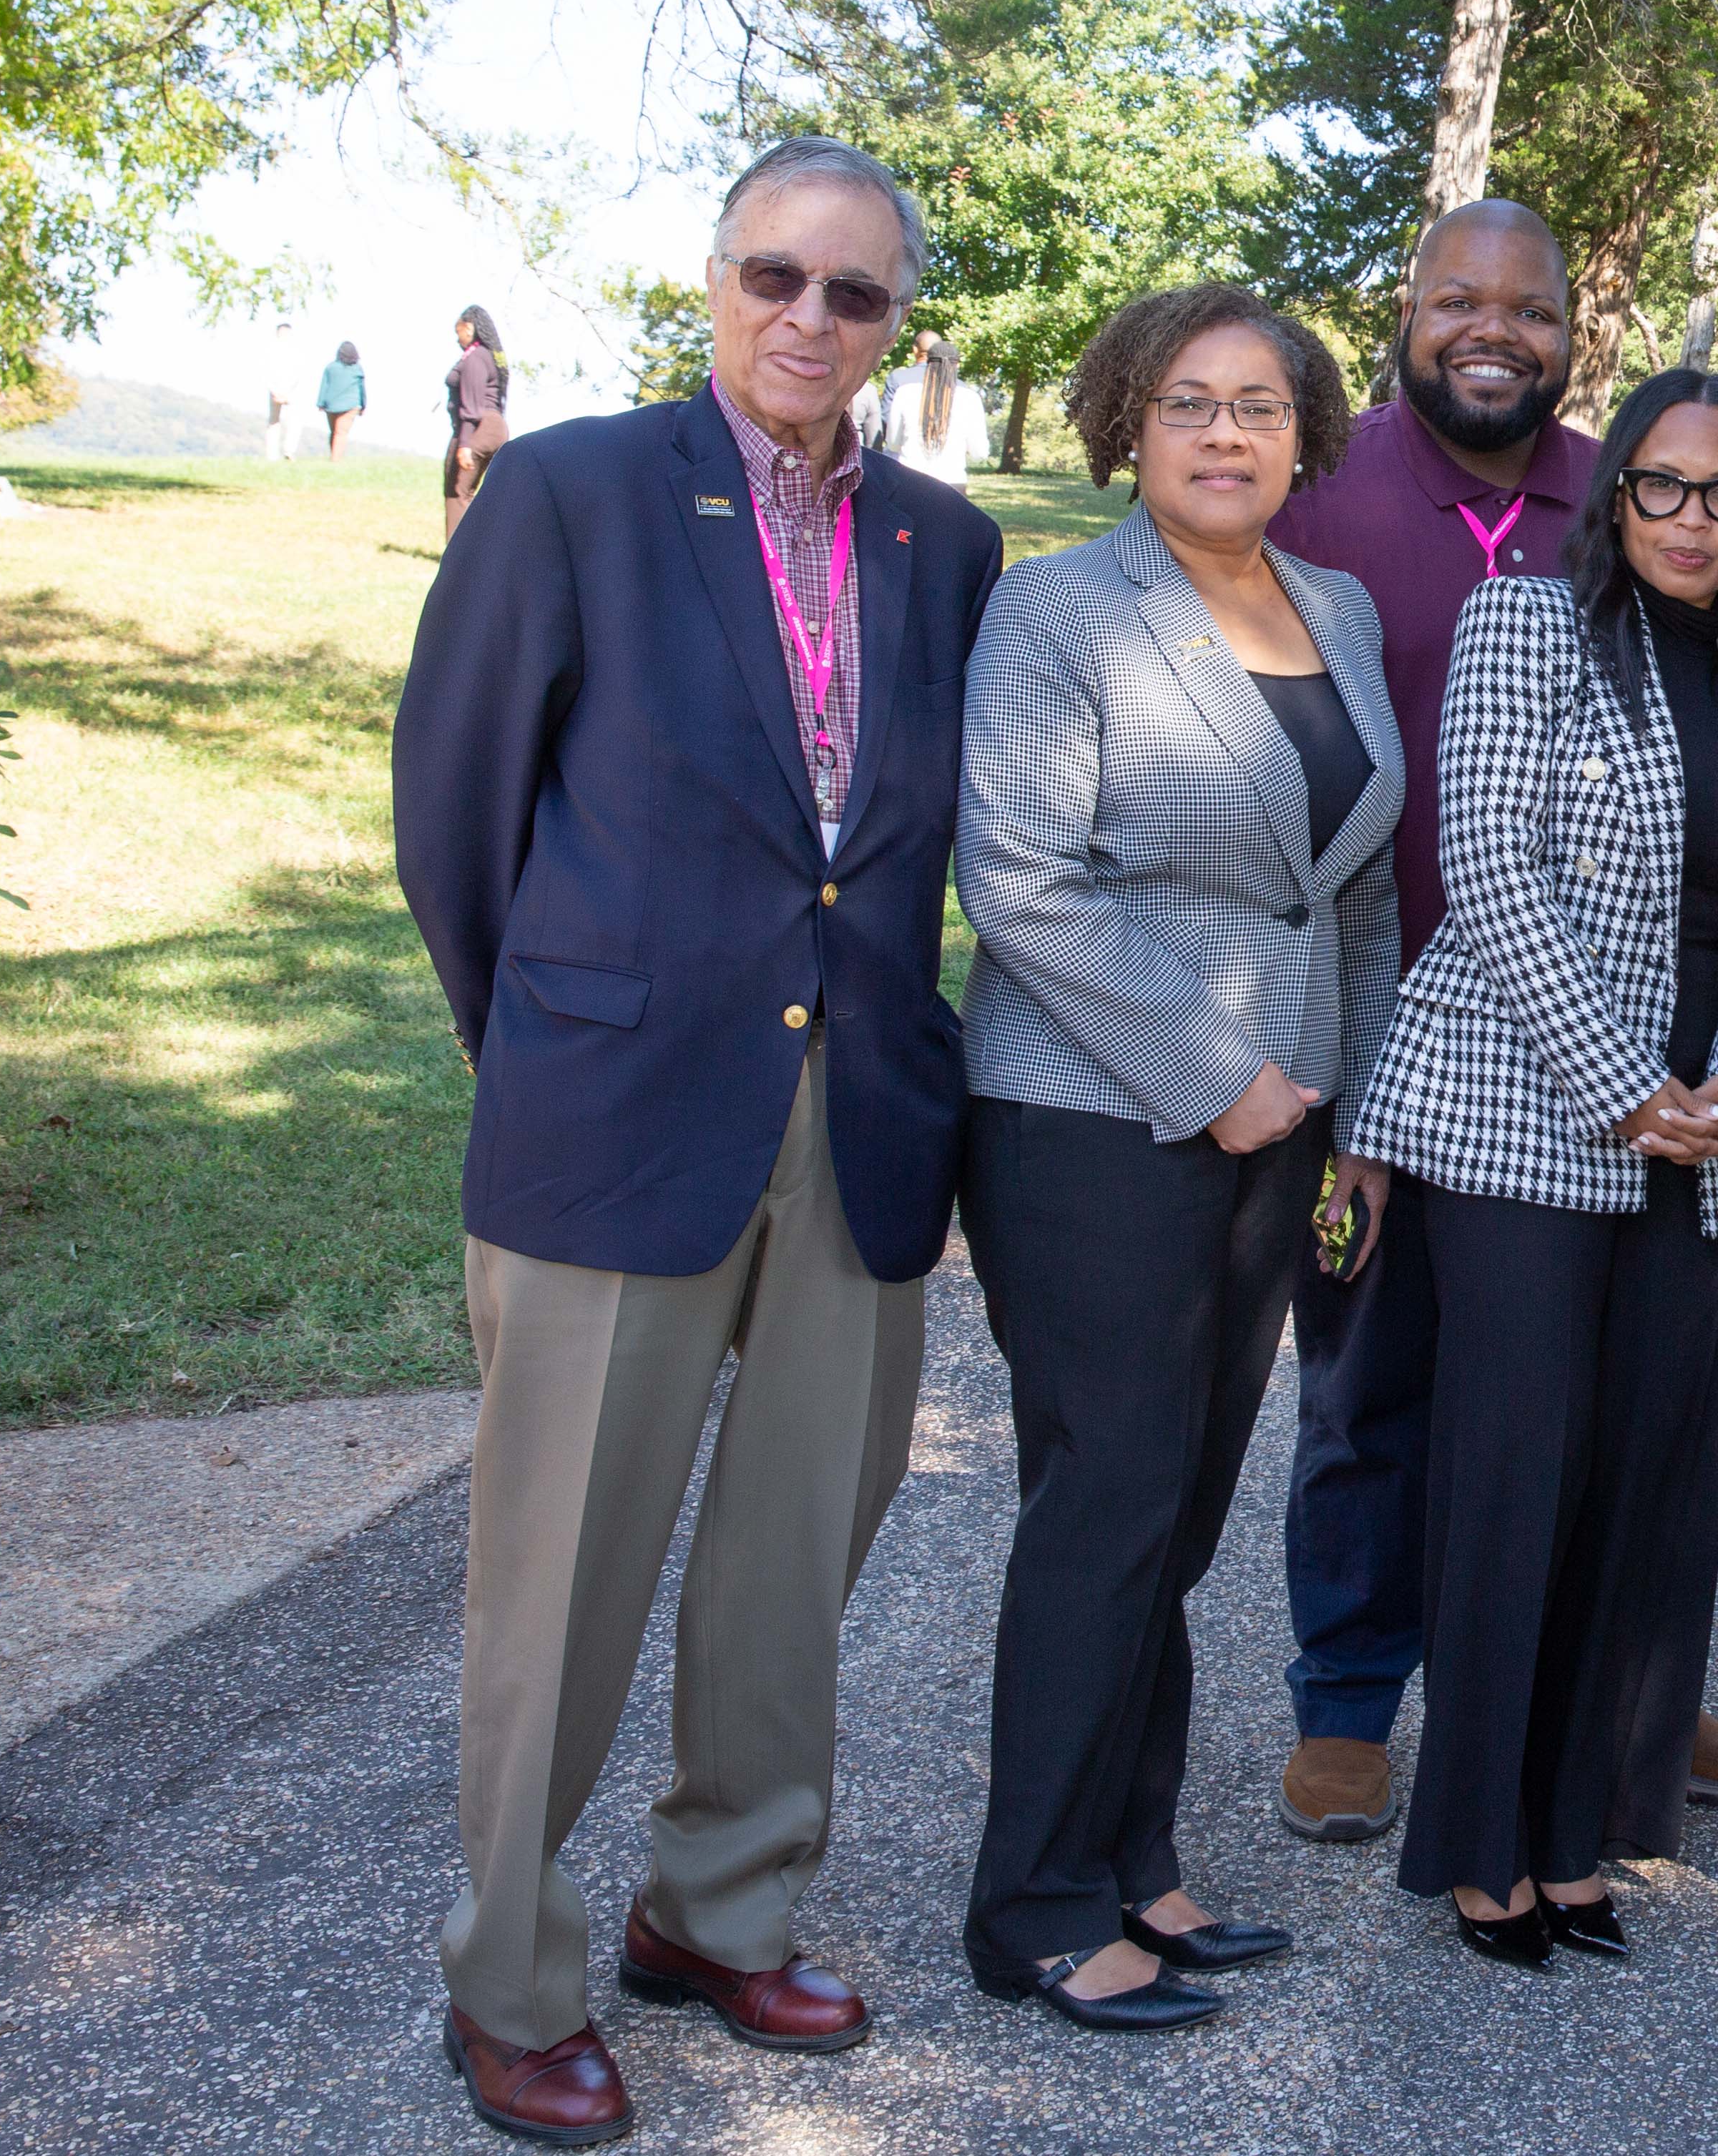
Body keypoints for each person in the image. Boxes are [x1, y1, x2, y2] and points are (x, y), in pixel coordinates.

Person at [391, 137, 1001, 2145]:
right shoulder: (570, 491)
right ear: (712, 279)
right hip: (615, 1106)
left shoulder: (944, 543)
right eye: (774, 277)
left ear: (897, 322)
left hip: (859, 1121)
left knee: (787, 1561)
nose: (808, 320)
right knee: (556, 1579)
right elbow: (458, 812)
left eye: (854, 294)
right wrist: (555, 1040)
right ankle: (512, 1974)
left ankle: (717, 1911)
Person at [1261, 200, 1718, 1844]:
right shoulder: (1324, 502)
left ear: (1578, 333)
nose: (1492, 330)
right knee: (1369, 1375)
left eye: (1530, 309)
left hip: (1589, 1031)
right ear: (1406, 311)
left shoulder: (1626, 495)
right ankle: (1350, 1692)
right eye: (1455, 300)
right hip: (1373, 1018)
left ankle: (1621, 1673)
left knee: (1595, 1390)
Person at [952, 283, 1398, 2032]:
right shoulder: (1060, 606)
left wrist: (1348, 1117)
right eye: (1187, 402)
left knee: (1182, 1511)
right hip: (1093, 1115)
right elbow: (1022, 877)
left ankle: (1134, 1857)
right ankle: (1038, 1904)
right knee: (1110, 1501)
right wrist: (1218, 1078)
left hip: (1282, 1127)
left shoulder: (1339, 606)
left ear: (1307, 436)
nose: (1225, 433)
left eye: (1260, 406)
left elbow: (1349, 886)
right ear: (1125, 423)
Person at [1346, 368, 1718, 1967]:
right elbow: (1483, 861)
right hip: (1523, 1116)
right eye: (1663, 486)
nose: (1694, 519)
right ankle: (1484, 1840)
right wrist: (1627, 1088)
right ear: (1614, 496)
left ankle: (1577, 1826)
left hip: (1700, 1142)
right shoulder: (1522, 628)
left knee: (1642, 1489)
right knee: (1514, 1478)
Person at [444, 305, 512, 538]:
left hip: (478, 429)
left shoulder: (475, 358)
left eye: (459, 332)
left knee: (458, 491)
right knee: (478, 494)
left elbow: (472, 408)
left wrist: (465, 444)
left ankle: (456, 560)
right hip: (495, 428)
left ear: (470, 327)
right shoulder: (489, 357)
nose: (457, 339)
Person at [884, 331, 982, 487]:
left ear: (928, 362)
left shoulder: (905, 392)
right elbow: (979, 453)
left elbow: (893, 444)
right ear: (956, 365)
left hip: (909, 481)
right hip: (952, 483)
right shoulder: (970, 398)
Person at [320, 343, 367, 460]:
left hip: (331, 405)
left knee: (334, 432)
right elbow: (362, 389)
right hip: (351, 405)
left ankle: (334, 458)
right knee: (341, 433)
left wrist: (321, 403)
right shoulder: (357, 368)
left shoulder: (330, 367)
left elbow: (324, 386)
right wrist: (363, 406)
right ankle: (335, 460)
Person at [264, 321, 302, 461]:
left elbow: (298, 374)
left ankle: (288, 451)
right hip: (279, 390)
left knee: (290, 422)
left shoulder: (294, 352)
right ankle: (275, 454)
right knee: (275, 422)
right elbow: (266, 374)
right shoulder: (272, 351)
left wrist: (285, 392)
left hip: (289, 391)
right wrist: (275, 391)